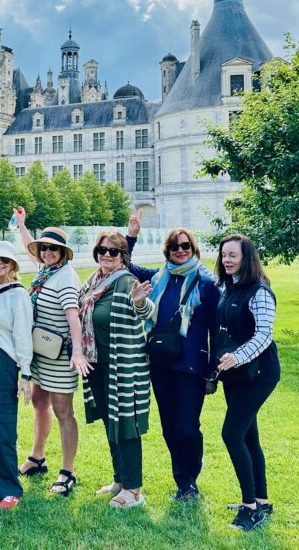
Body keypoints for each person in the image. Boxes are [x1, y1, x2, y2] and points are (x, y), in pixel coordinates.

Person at [125, 209, 220, 502]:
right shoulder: (158, 277)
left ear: (193, 249)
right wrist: (132, 234)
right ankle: (185, 482)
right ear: (167, 251)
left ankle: (191, 468)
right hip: (161, 362)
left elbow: (216, 331)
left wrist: (213, 371)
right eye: (175, 247)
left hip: (192, 364)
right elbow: (124, 263)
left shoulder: (207, 284)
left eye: (185, 246)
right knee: (169, 427)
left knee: (187, 427)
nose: (180, 251)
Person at [15, 208, 88, 497]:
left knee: (63, 411)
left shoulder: (65, 278)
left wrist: (78, 353)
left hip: (60, 357)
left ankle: (67, 471)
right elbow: (29, 247)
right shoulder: (47, 271)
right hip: (41, 353)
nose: (46, 252)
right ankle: (37, 457)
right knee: (38, 401)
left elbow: (74, 317)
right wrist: (22, 226)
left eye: (52, 248)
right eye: (43, 247)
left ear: (63, 252)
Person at [80, 230, 155, 508]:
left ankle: (134, 490)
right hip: (98, 365)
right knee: (110, 423)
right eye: (102, 249)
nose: (106, 255)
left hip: (123, 366)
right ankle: (120, 480)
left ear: (123, 255)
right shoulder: (92, 281)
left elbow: (148, 311)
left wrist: (139, 302)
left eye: (113, 251)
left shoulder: (126, 281)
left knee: (126, 425)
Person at [215, 234, 280, 532]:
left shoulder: (259, 291)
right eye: (224, 255)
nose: (227, 260)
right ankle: (262, 500)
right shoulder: (228, 287)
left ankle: (250, 509)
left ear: (246, 257)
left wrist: (237, 357)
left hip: (258, 374)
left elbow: (264, 335)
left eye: (233, 255)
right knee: (248, 436)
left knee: (232, 434)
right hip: (237, 374)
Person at [0, 240, 33, 509]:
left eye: (4, 260)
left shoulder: (18, 293)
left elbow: (23, 334)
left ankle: (11, 488)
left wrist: (26, 373)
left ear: (13, 264)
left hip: (4, 361)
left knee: (1, 424)